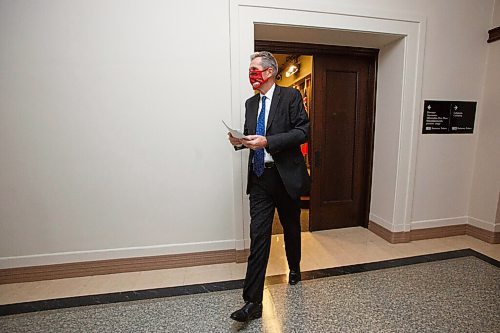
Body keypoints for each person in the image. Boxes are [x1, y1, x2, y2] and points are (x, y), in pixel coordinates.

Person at [228, 51, 310, 322]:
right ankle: (253, 302)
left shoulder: (290, 97)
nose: (251, 74)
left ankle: (294, 268)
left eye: (254, 69)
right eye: (249, 69)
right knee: (259, 237)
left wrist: (269, 142)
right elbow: (251, 133)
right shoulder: (250, 104)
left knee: (291, 228)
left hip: (286, 176)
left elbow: (303, 131)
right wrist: (241, 142)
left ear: (271, 71)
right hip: (261, 178)